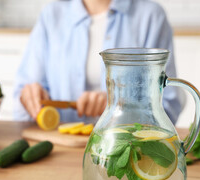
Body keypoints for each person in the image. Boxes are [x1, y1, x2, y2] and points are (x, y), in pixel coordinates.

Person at [12, 0, 184, 124]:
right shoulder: (51, 15)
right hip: (59, 149)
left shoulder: (151, 16)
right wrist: (30, 96)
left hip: (125, 149)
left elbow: (168, 103)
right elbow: (22, 94)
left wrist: (120, 106)